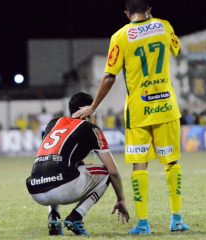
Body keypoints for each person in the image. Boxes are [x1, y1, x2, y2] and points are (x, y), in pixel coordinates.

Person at [72, 0, 189, 235]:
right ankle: (176, 219)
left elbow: (109, 77)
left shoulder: (120, 36)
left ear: (127, 14)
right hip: (166, 105)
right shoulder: (165, 26)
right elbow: (178, 50)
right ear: (150, 9)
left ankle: (143, 224)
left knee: (139, 165)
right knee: (172, 163)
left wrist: (93, 106)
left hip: (138, 111)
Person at [26, 92, 129, 236]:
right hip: (62, 188)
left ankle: (53, 217)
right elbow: (113, 171)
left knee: (57, 166)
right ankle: (77, 216)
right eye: (93, 109)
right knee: (106, 173)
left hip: (35, 189)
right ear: (84, 109)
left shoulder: (53, 123)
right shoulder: (91, 129)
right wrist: (121, 199)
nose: (94, 114)